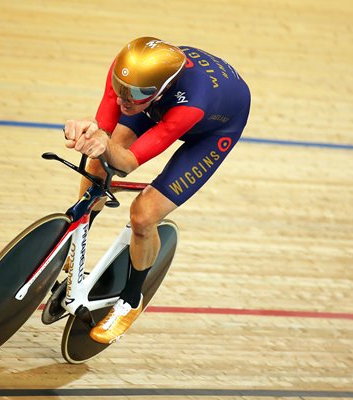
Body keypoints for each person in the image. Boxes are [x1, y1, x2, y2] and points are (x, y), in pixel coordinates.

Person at [63, 36, 250, 344]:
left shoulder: (191, 106)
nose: (124, 99)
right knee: (96, 167)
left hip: (214, 128)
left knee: (143, 215)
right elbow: (105, 134)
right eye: (120, 88)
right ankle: (75, 238)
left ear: (161, 89)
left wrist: (105, 145)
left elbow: (125, 163)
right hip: (162, 101)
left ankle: (131, 300)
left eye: (134, 95)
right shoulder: (129, 79)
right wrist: (88, 133)